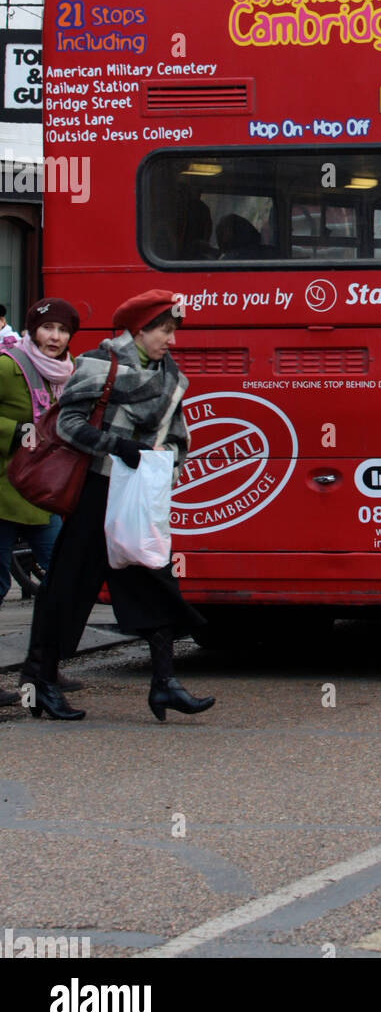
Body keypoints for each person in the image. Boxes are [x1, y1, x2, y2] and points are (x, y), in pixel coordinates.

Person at [26, 289, 214, 723]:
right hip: (95, 490)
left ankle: (164, 684)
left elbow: (179, 436)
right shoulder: (99, 363)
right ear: (139, 330)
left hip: (138, 496)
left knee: (157, 580)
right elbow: (68, 424)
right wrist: (118, 447)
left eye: (172, 332)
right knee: (68, 588)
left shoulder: (172, 377)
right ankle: (41, 684)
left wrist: (166, 466)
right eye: (164, 331)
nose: (171, 340)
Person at [0, 299, 79, 707]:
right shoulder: (8, 365)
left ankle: (42, 667)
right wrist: (18, 430)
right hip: (3, 492)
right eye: (48, 329)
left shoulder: (68, 371)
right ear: (32, 329)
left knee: (60, 580)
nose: (56, 337)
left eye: (63, 331)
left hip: (44, 494)